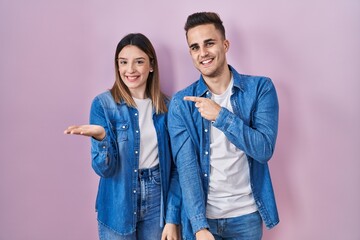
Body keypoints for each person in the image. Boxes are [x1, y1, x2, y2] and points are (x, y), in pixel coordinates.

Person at [168, 12, 280, 240]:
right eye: (195, 47)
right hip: (203, 219)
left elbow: (263, 150)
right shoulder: (182, 103)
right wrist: (199, 227)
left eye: (209, 43)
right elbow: (186, 168)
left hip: (246, 216)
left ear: (225, 44)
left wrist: (221, 116)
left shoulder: (260, 89)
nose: (203, 53)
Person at [64, 33, 180, 240]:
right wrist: (102, 139)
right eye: (123, 62)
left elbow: (175, 169)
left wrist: (172, 218)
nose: (130, 70)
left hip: (156, 200)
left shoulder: (168, 108)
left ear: (151, 65)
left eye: (139, 62)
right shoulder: (103, 105)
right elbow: (104, 169)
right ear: (117, 66)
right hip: (118, 200)